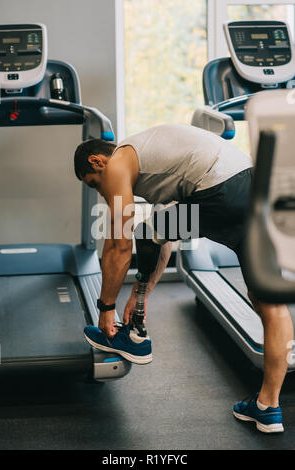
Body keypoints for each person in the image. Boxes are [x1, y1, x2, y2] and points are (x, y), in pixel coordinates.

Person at [74, 123, 292, 433]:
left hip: (221, 191)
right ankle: (268, 408)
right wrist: (143, 296)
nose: (100, 190)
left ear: (98, 162)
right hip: (257, 189)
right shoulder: (161, 165)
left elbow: (119, 244)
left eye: (93, 183)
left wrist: (106, 308)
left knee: (146, 232)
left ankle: (136, 338)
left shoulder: (120, 160)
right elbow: (167, 239)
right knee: (269, 303)